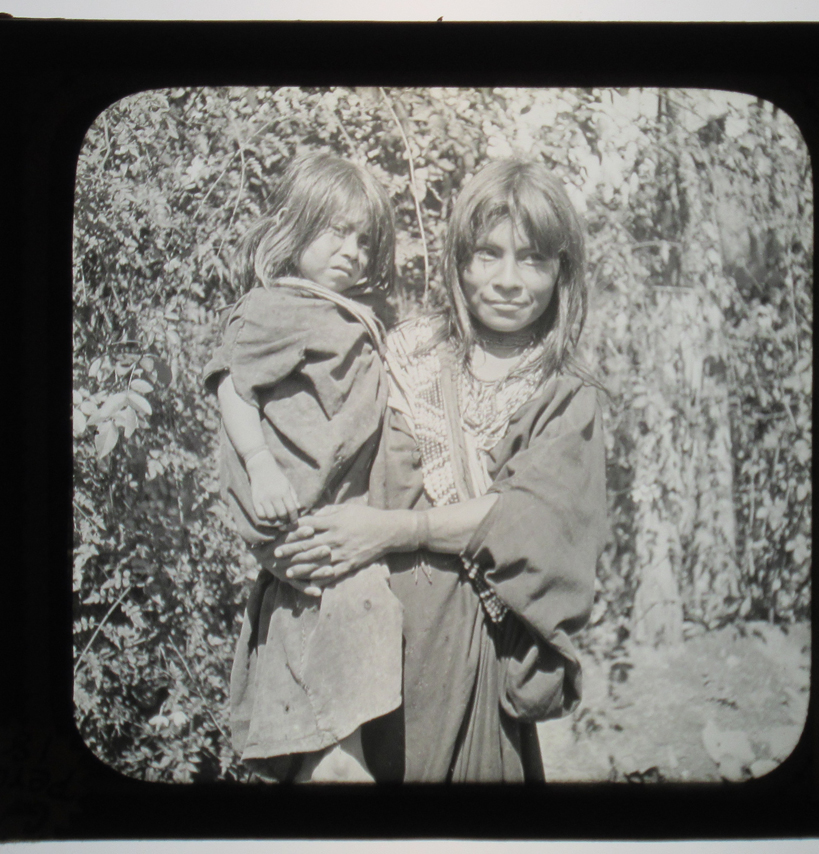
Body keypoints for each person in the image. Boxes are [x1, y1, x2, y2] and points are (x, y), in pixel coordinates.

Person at [274, 159, 610, 782]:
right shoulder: (402, 353)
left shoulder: (566, 398)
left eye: (533, 260)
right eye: (488, 254)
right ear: (459, 260)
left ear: (562, 272)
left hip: (475, 655)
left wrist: (392, 531)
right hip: (371, 647)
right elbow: (318, 456)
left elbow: (527, 522)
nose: (508, 280)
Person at [202, 150, 402, 783]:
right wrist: (260, 464)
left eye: (364, 240)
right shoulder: (277, 308)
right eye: (336, 231)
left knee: (333, 714)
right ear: (295, 226)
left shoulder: (346, 314)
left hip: (343, 526)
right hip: (304, 521)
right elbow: (232, 383)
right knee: (333, 733)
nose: (352, 252)